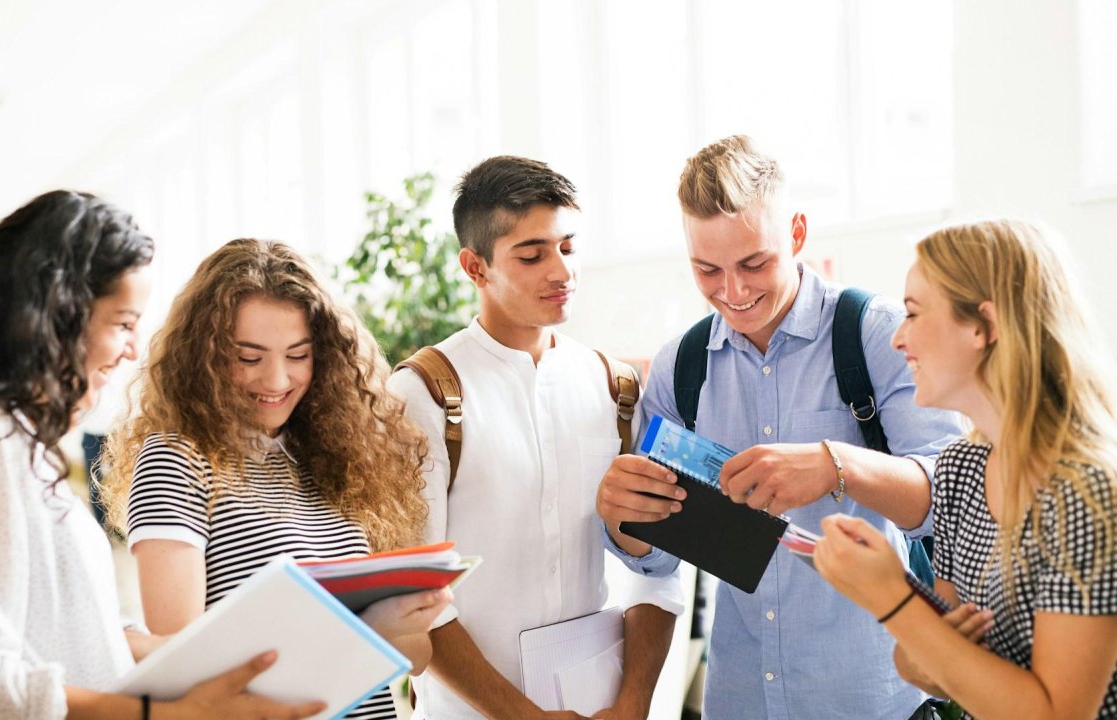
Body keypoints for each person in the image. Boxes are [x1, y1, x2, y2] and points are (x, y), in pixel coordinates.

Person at [0, 190, 326, 718]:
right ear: (55, 319)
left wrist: (223, 660)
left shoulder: (11, 444)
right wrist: (168, 714)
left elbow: (74, 634)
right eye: (122, 323)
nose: (134, 349)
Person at [594, 135, 965, 719]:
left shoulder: (879, 335)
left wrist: (834, 465)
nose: (733, 292)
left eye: (753, 263)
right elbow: (657, 561)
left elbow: (954, 500)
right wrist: (626, 520)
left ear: (796, 234)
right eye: (707, 269)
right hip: (741, 700)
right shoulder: (679, 368)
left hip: (874, 701)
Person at [387, 155, 684, 720]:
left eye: (568, 248)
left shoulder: (615, 387)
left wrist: (634, 702)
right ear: (475, 268)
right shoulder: (422, 394)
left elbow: (658, 568)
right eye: (532, 255)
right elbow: (413, 595)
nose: (562, 272)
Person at [104, 238, 450, 720]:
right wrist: (366, 631)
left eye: (298, 355)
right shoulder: (177, 460)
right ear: (202, 356)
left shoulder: (336, 457)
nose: (276, 380)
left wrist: (402, 623)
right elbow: (187, 675)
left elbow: (415, 659)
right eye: (249, 357)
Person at [815, 220, 1117, 719]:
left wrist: (893, 597)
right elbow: (922, 663)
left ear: (984, 326)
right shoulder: (959, 472)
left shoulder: (1086, 491)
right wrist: (926, 639)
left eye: (913, 313)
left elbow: (1057, 713)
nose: (897, 340)